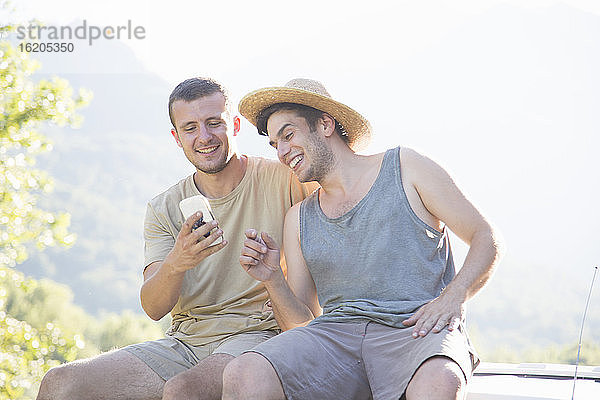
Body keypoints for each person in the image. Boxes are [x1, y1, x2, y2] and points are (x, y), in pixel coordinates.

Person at [222, 78, 504, 400]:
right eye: (275, 144)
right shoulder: (298, 218)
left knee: (439, 382)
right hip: (337, 339)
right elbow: (301, 323)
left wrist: (453, 298)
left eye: (288, 135)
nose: (282, 152)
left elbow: (486, 237)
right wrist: (273, 278)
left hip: (416, 332)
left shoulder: (406, 167)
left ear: (325, 124)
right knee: (244, 372)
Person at [36, 77, 315, 400]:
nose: (204, 137)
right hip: (184, 343)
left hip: (257, 335)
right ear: (176, 138)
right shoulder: (163, 208)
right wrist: (177, 262)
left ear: (235, 125)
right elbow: (153, 307)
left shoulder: (285, 180)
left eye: (214, 123)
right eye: (190, 128)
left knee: (184, 390)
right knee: (59, 384)